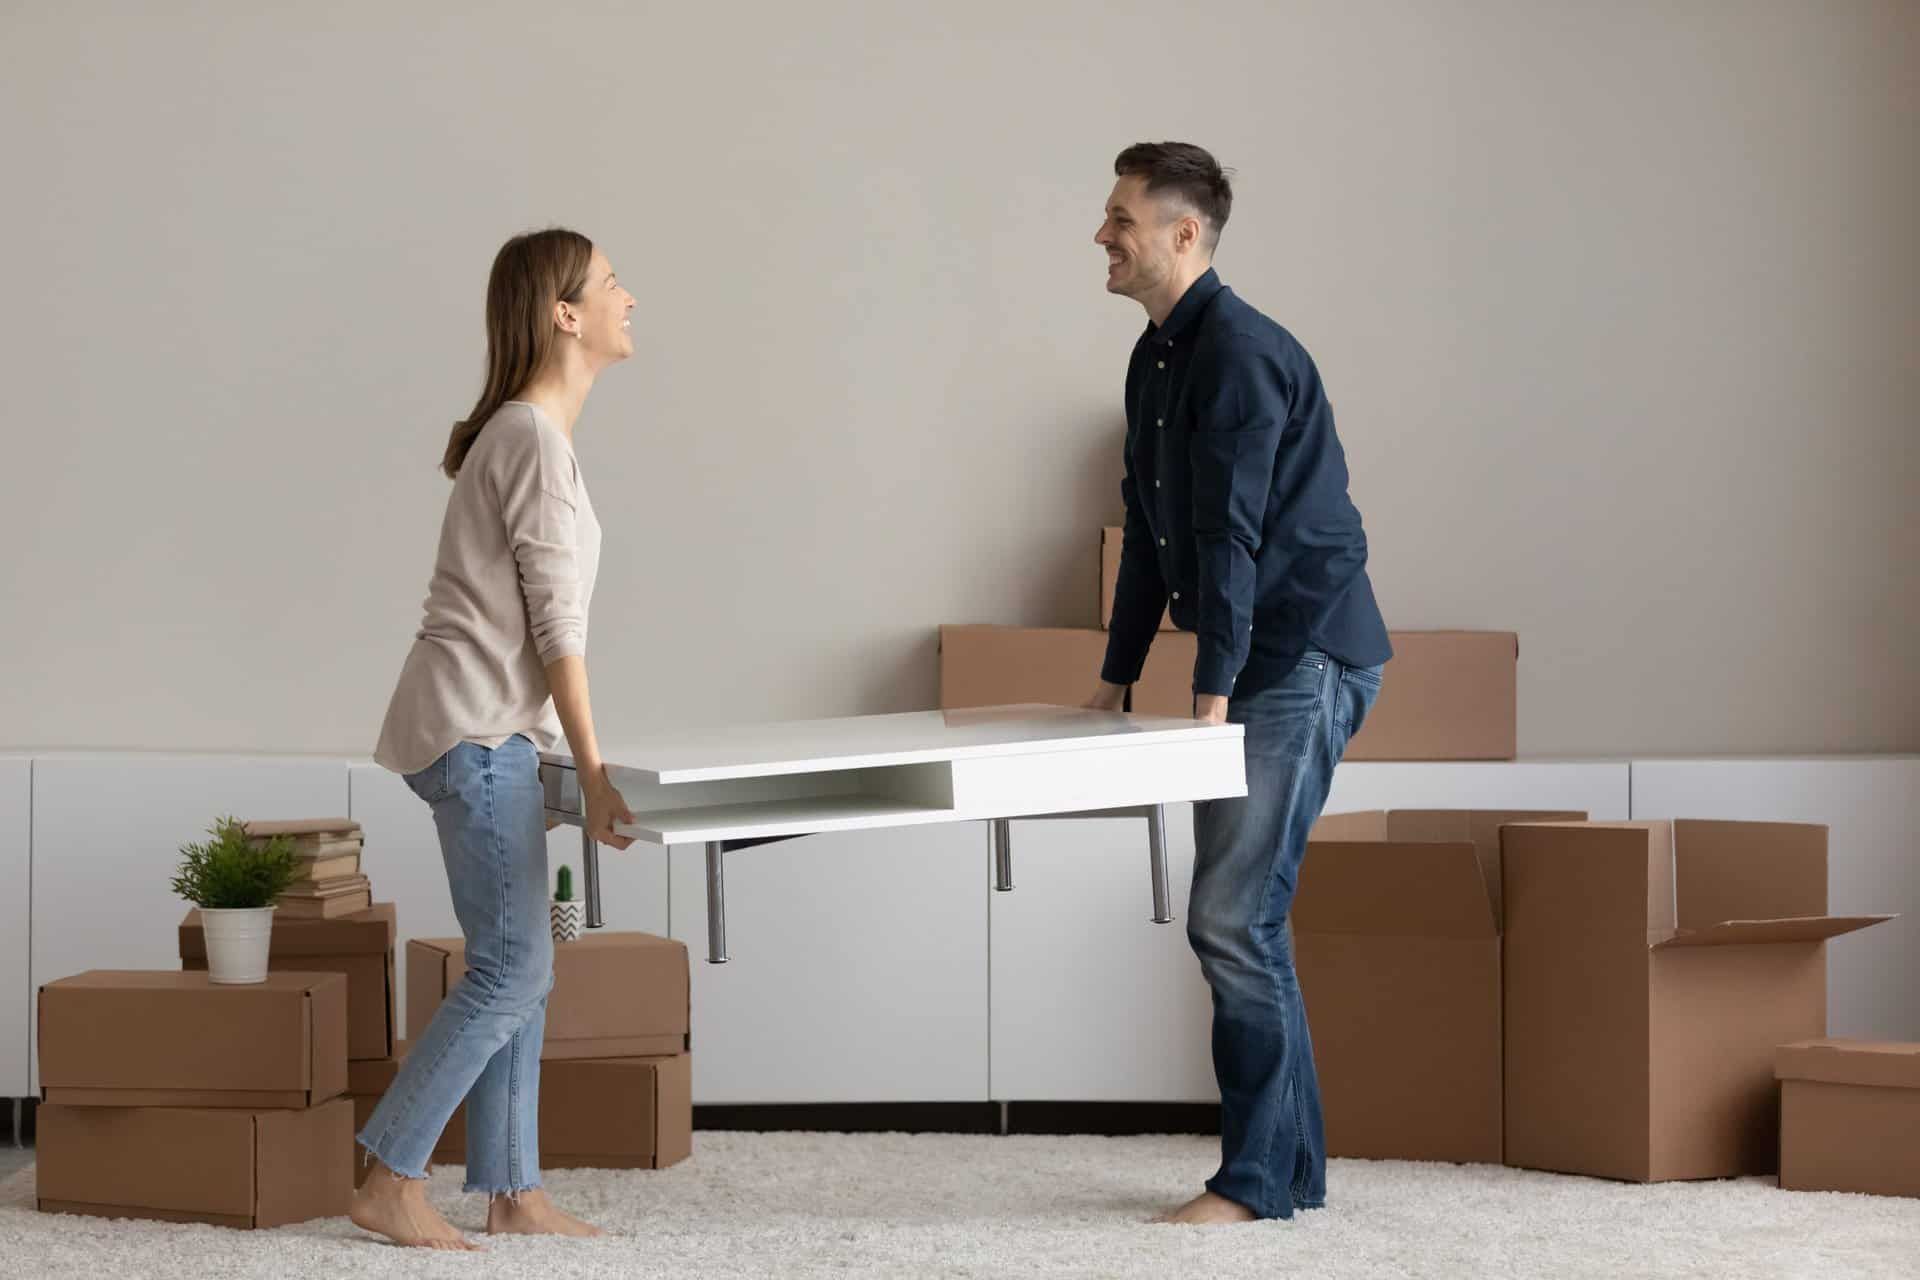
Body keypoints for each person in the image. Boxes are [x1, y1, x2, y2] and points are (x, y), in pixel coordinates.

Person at [1085, 143, 1393, 1225]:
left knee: (1229, 915)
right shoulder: (1155, 358)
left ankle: (1253, 1180)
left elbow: (1235, 532)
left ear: (1182, 234)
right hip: (1254, 655)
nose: (1101, 236)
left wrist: (1212, 685)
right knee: (1244, 917)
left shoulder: (1245, 354)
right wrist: (1116, 675)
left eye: (1120, 218)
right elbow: (1153, 535)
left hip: (1304, 654)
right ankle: (1289, 1171)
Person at [352, 227, 639, 1250]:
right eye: (611, 283)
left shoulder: (524, 438)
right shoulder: (529, 439)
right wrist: (596, 773)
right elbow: (559, 630)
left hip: (486, 730)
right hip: (476, 733)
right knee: (513, 965)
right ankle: (390, 1172)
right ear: (564, 313)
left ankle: (513, 1188)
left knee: (522, 961)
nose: (629, 297)